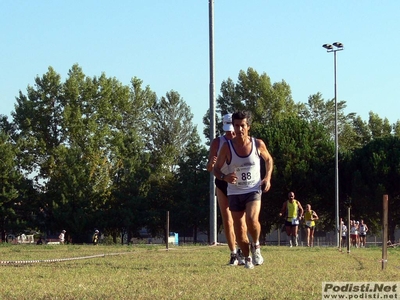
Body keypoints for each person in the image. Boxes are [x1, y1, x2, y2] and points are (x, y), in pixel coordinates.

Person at [214, 111, 273, 269]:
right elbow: (216, 169)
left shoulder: (258, 144)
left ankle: (257, 246)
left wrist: (267, 178)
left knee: (252, 220)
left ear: (248, 127)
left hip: (253, 189)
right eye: (237, 126)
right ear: (233, 126)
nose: (239, 129)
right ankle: (247, 258)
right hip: (234, 191)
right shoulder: (227, 147)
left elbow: (269, 160)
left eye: (242, 126)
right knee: (239, 229)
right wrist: (224, 177)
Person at [207, 113, 244, 266]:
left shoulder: (243, 141)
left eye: (233, 130)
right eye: (228, 130)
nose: (231, 133)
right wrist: (212, 163)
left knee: (241, 221)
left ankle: (244, 250)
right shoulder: (217, 142)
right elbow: (209, 167)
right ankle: (233, 253)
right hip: (222, 183)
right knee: (227, 220)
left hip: (239, 184)